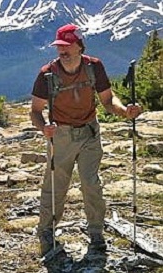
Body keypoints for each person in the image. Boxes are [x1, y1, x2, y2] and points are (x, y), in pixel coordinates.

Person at [30, 24, 142, 256]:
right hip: (61, 135)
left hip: (90, 132)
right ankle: (46, 231)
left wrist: (125, 112)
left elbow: (108, 101)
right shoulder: (47, 74)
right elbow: (35, 111)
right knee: (56, 185)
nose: (62, 51)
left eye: (67, 46)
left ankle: (96, 233)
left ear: (79, 46)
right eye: (59, 46)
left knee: (91, 183)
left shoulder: (94, 67)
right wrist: (44, 129)